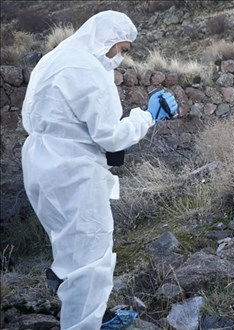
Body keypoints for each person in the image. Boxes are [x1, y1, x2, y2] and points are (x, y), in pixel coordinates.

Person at [21, 10, 178, 330]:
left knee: (69, 248)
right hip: (74, 171)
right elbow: (111, 136)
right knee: (91, 259)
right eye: (122, 49)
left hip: (40, 165)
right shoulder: (89, 69)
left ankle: (90, 310)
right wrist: (147, 117)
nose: (120, 57)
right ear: (106, 38)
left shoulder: (53, 59)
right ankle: (84, 323)